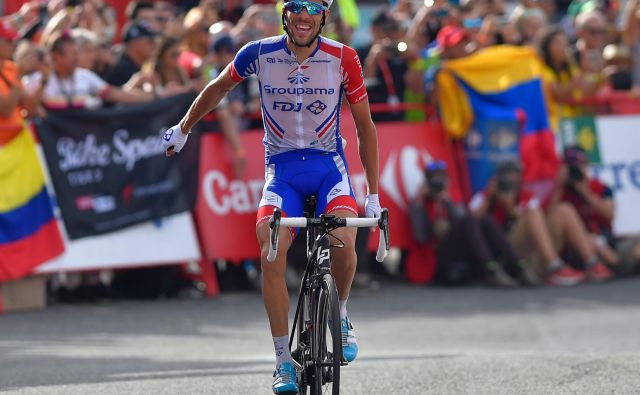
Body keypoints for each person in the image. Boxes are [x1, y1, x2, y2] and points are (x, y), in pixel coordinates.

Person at [161, 1, 380, 393]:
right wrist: (183, 128)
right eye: (295, 6)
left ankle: (341, 315)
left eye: (313, 7)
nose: (303, 15)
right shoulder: (258, 53)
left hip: (329, 167)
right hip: (282, 172)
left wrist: (374, 195)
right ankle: (283, 361)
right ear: (285, 14)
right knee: (271, 252)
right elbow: (218, 88)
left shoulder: (343, 57)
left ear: (323, 17)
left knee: (346, 241)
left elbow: (364, 125)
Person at [409, 161, 539, 287]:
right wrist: (420, 203)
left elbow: (462, 226)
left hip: (462, 255)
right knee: (470, 219)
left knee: (485, 220)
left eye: (441, 179)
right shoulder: (419, 204)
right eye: (433, 180)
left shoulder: (453, 200)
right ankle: (491, 270)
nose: (437, 184)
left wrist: (448, 204)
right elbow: (421, 236)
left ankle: (520, 266)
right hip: (437, 258)